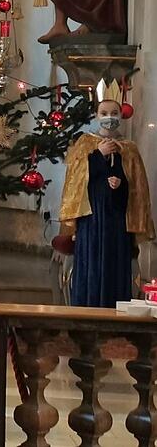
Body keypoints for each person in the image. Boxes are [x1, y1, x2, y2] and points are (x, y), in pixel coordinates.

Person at [60, 84, 154, 307]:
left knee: (115, 265)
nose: (109, 118)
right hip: (91, 217)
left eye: (114, 113)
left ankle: (115, 313)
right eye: (104, 114)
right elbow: (76, 178)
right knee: (91, 264)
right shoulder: (85, 143)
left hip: (118, 219)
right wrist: (97, 156)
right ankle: (87, 310)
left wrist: (120, 184)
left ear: (121, 116)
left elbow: (138, 187)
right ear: (96, 116)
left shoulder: (129, 148)